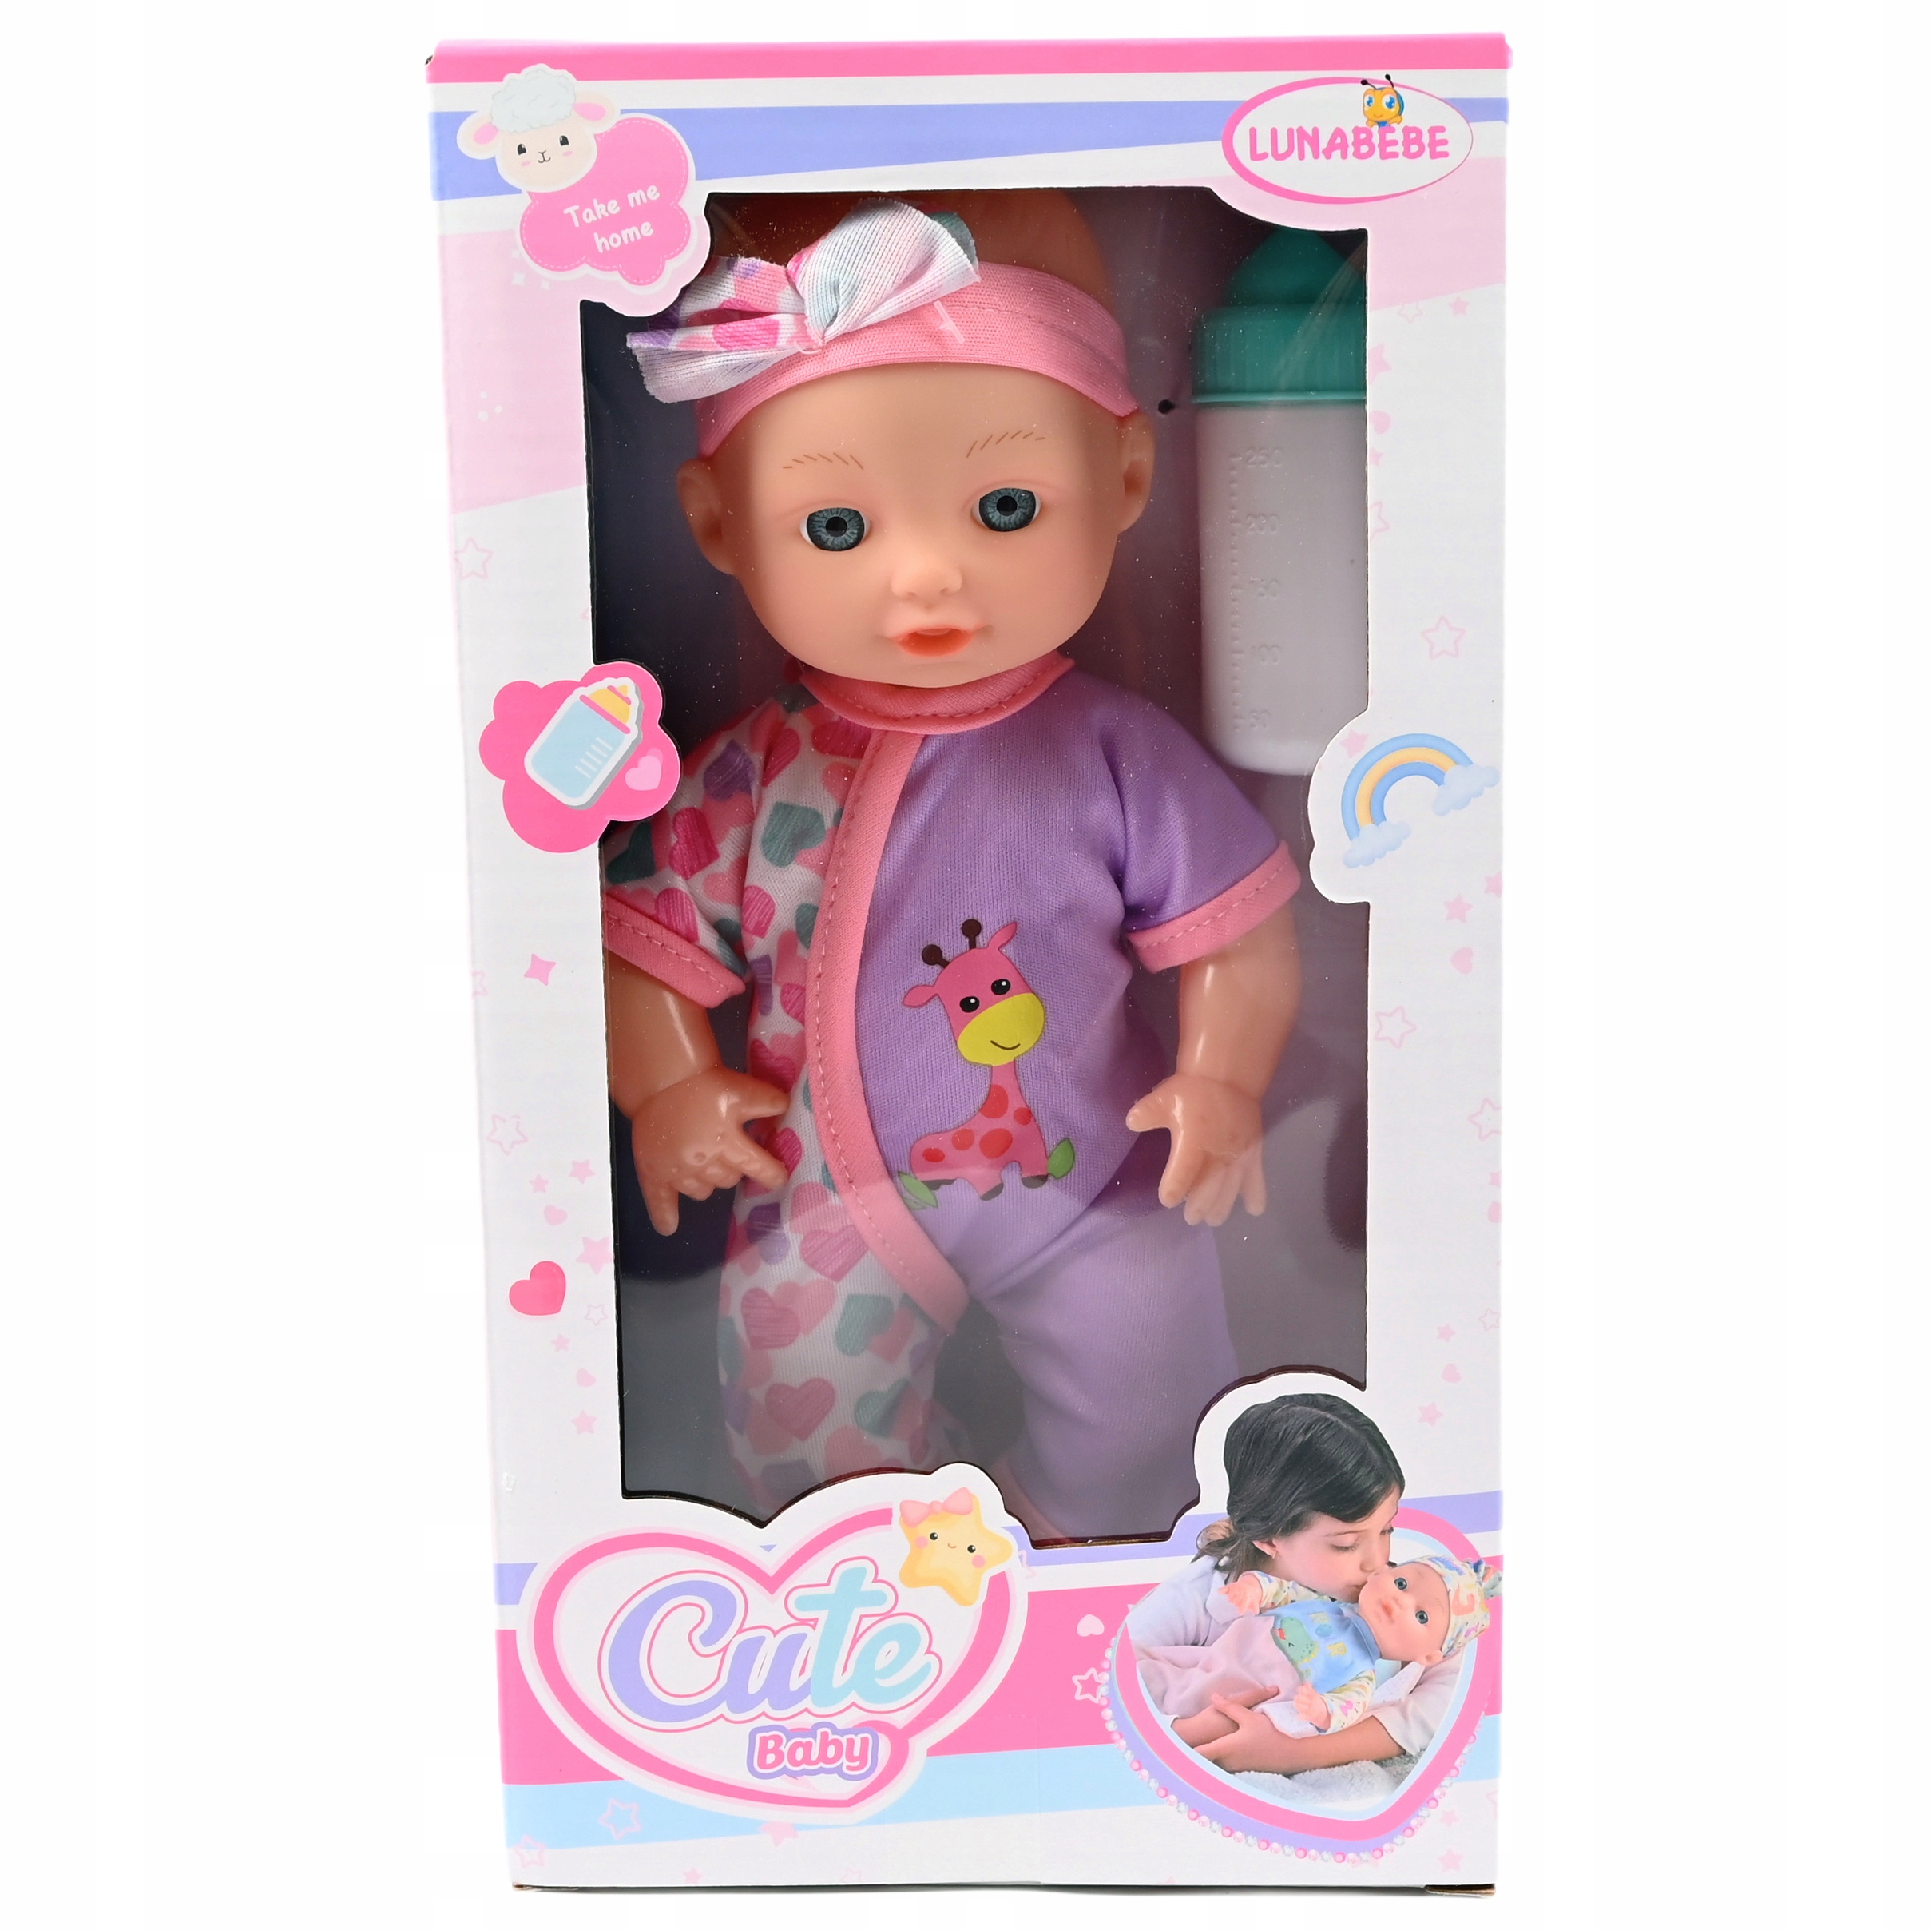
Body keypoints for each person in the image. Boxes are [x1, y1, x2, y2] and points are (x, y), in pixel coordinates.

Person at [601, 192, 1303, 1539]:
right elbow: (643, 946)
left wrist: (1221, 1076)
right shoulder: (751, 772)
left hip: (1086, 1178)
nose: (926, 577)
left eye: (1003, 506)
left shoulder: (1111, 753)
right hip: (818, 1191)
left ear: (1125, 480)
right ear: (717, 525)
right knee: (803, 1437)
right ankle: (896, 1585)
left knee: (1157, 1402)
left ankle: (1065, 1553)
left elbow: (1234, 931)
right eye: (836, 527)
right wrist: (669, 1088)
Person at [1125, 1392, 1469, 1776]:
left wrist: (1295, 1752)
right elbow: (1103, 1692)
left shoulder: (1401, 1593)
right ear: (1270, 1538)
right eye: (1346, 1544)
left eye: (1387, 1529)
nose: (1376, 1562)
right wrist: (1186, 1731)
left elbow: (1450, 1696)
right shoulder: (1201, 1594)